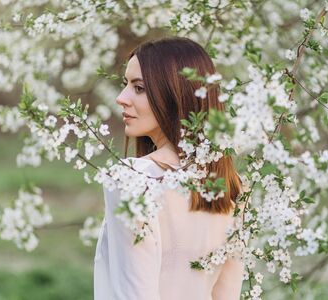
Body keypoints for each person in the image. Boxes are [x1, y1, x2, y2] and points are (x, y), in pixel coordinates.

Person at [94, 36, 244, 300]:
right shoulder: (231, 185)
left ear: (174, 95)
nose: (121, 98)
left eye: (138, 88)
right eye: (125, 85)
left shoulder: (133, 180)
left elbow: (133, 295)